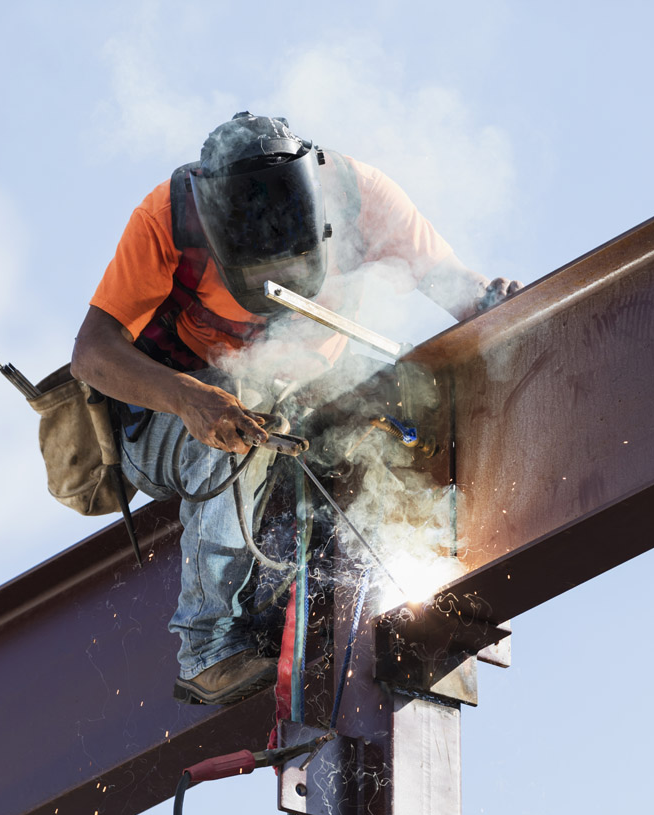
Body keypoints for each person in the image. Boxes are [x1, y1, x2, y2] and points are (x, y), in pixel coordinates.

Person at [71, 112, 518, 706]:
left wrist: (502, 309)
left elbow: (457, 290)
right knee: (240, 416)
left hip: (295, 409)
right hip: (166, 421)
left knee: (397, 403)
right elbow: (91, 354)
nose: (278, 284)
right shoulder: (169, 220)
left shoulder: (362, 200)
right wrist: (189, 398)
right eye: (260, 276)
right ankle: (206, 648)